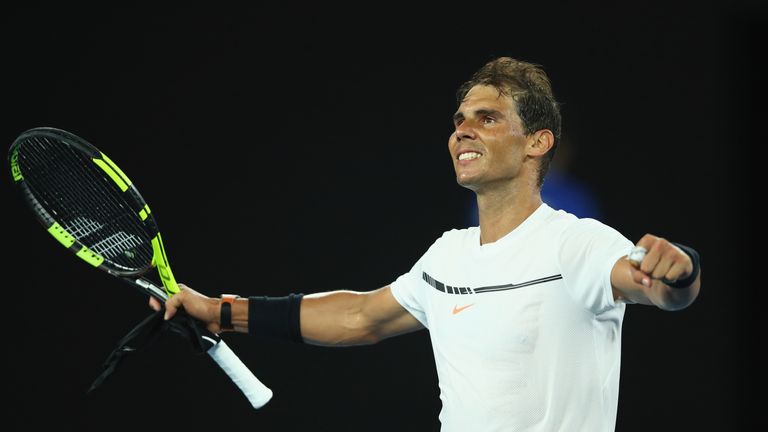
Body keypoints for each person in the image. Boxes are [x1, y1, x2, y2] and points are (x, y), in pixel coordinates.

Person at [149, 57, 701, 431]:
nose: (463, 131)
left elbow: (662, 289)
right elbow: (360, 316)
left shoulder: (576, 243)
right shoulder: (447, 255)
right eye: (460, 121)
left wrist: (679, 271)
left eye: (487, 119)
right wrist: (219, 313)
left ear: (538, 142)